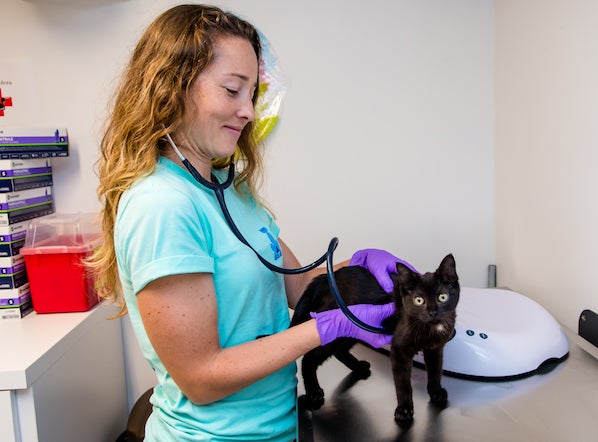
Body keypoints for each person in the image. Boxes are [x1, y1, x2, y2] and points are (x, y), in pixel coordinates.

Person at [89, 4, 413, 441]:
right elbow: (201, 379)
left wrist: (356, 268)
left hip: (276, 426)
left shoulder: (229, 187)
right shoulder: (160, 205)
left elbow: (295, 286)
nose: (249, 111)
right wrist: (325, 329)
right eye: (232, 90)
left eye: (252, 94)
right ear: (172, 87)